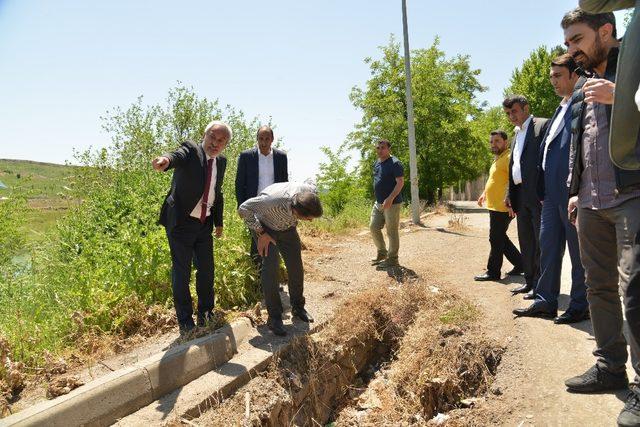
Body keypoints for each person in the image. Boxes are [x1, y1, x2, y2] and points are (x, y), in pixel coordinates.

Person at [560, 8, 640, 426]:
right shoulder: (583, 84)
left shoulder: (635, 67)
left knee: (636, 290)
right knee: (599, 287)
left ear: (605, 31)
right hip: (591, 202)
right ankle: (610, 366)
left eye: (576, 39)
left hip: (632, 195)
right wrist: (575, 191)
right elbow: (581, 142)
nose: (570, 49)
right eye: (568, 42)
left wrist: (623, 97)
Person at [513, 54, 589, 322]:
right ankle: (546, 300)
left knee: (579, 253)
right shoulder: (560, 108)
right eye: (551, 77)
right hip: (550, 196)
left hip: (571, 192)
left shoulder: (583, 102)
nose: (553, 82)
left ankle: (581, 304)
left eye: (558, 76)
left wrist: (577, 190)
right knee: (548, 247)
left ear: (574, 75)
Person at [152, 120, 231, 334]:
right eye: (212, 138)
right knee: (182, 271)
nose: (215, 143)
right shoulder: (191, 150)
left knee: (206, 270)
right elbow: (177, 155)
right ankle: (186, 322)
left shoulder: (221, 162)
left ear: (225, 145)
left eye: (221, 141)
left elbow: (217, 192)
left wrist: (219, 222)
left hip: (204, 224)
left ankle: (206, 314)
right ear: (204, 136)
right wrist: (166, 160)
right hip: (181, 222)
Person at [237, 182, 322, 336]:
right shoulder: (272, 200)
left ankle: (298, 307)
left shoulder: (310, 193)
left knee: (296, 267)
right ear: (296, 210)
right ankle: (274, 318)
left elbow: (312, 184)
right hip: (265, 228)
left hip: (288, 229)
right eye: (308, 219)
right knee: (271, 269)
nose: (310, 221)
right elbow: (243, 208)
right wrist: (261, 233)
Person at [503, 96, 549, 298]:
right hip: (520, 195)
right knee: (526, 240)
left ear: (526, 108)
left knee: (541, 242)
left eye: (514, 111)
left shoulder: (541, 125)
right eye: (507, 113)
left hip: (538, 194)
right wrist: (509, 194)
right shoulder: (515, 135)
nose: (511, 116)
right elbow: (515, 167)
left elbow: (548, 159)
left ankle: (541, 285)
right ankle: (529, 281)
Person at [474, 131, 523, 282]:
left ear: (506, 142)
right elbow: (494, 179)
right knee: (500, 237)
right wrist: (484, 193)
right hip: (494, 205)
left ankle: (493, 272)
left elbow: (514, 180)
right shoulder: (498, 159)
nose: (493, 144)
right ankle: (521, 264)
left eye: (497, 141)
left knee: (495, 238)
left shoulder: (509, 157)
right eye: (491, 142)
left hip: (503, 206)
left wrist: (511, 201)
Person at [235, 125, 289, 264]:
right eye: (261, 139)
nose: (263, 142)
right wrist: (241, 206)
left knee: (273, 239)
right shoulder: (247, 156)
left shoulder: (281, 157)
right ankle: (258, 279)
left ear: (272, 139)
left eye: (267, 139)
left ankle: (270, 277)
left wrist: (285, 207)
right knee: (257, 240)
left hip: (274, 206)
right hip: (254, 206)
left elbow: (284, 183)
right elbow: (239, 183)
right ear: (257, 139)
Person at [369, 139, 405, 269]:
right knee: (373, 227)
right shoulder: (377, 163)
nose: (380, 150)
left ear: (389, 149)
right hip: (378, 203)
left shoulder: (395, 163)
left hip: (392, 203)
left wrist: (390, 198)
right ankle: (382, 253)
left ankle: (393, 259)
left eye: (383, 148)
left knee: (391, 231)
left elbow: (400, 182)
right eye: (378, 148)